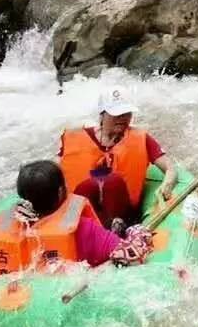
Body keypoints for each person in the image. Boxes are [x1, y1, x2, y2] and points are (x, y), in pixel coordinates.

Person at [0, 161, 151, 276]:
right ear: (61, 191)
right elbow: (130, 254)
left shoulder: (6, 231)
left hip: (20, 292)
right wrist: (136, 232)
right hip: (66, 291)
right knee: (136, 230)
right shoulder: (81, 227)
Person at [58, 89, 177, 232]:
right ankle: (70, 232)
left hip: (122, 213)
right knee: (87, 186)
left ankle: (113, 233)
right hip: (78, 211)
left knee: (112, 181)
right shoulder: (75, 137)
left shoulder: (141, 138)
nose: (123, 118)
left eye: (127, 113)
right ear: (102, 114)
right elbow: (54, 173)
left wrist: (166, 186)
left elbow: (170, 168)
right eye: (117, 114)